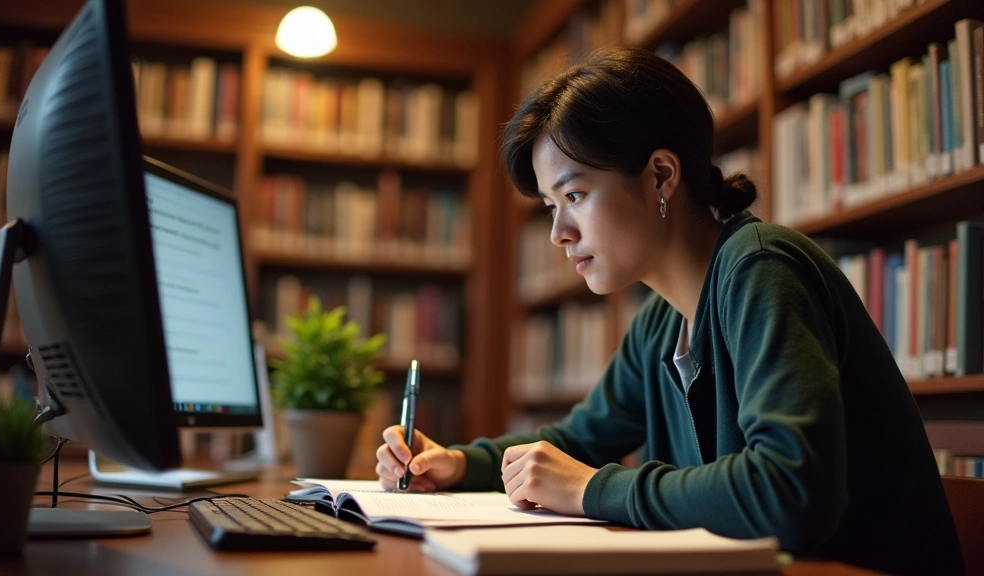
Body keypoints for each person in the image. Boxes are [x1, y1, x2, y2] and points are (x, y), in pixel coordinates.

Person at [376, 47, 962, 576]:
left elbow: (791, 492)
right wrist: (456, 462)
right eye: (551, 206)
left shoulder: (761, 269)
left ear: (660, 175)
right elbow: (578, 439)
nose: (558, 233)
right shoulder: (660, 322)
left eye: (574, 196)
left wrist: (592, 490)